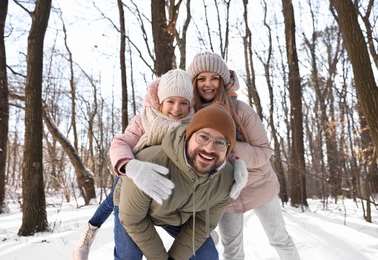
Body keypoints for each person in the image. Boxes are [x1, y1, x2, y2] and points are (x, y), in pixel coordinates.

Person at [187, 51, 300, 259]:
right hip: (225, 195)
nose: (208, 84)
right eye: (201, 78)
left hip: (259, 186)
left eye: (214, 78)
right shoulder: (191, 116)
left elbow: (264, 152)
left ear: (222, 81)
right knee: (232, 251)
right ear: (194, 82)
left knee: (280, 239)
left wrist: (226, 146)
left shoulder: (241, 111)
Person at [72, 69, 195, 260]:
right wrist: (132, 167)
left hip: (165, 191)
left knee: (112, 200)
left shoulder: (193, 125)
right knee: (113, 199)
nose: (176, 108)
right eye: (170, 101)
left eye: (183, 103)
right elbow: (121, 143)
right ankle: (90, 230)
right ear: (161, 102)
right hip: (135, 177)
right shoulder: (144, 119)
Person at [113, 102, 237, 259]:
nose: (209, 148)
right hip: (133, 213)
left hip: (176, 216)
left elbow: (202, 224)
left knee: (207, 255)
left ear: (228, 150)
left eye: (220, 142)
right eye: (203, 137)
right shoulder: (148, 163)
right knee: (127, 257)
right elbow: (133, 220)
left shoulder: (226, 180)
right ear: (188, 136)